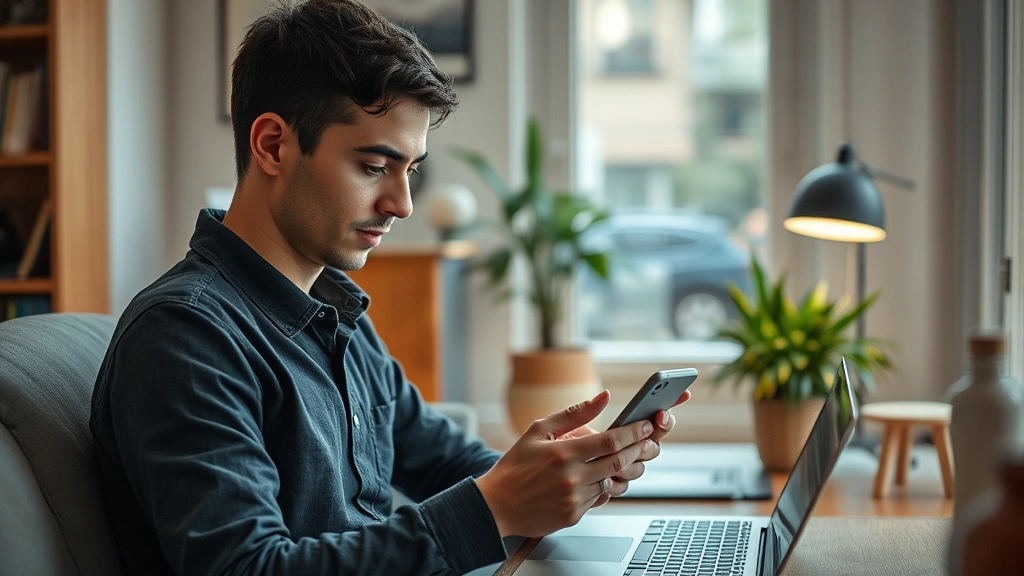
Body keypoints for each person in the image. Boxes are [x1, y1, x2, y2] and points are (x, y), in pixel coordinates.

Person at [90, 1, 690, 574]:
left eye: (411, 171)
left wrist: (566, 473)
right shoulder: (186, 336)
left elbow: (446, 462)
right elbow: (249, 566)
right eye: (375, 167)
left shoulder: (333, 310)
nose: (401, 204)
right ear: (273, 145)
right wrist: (496, 505)